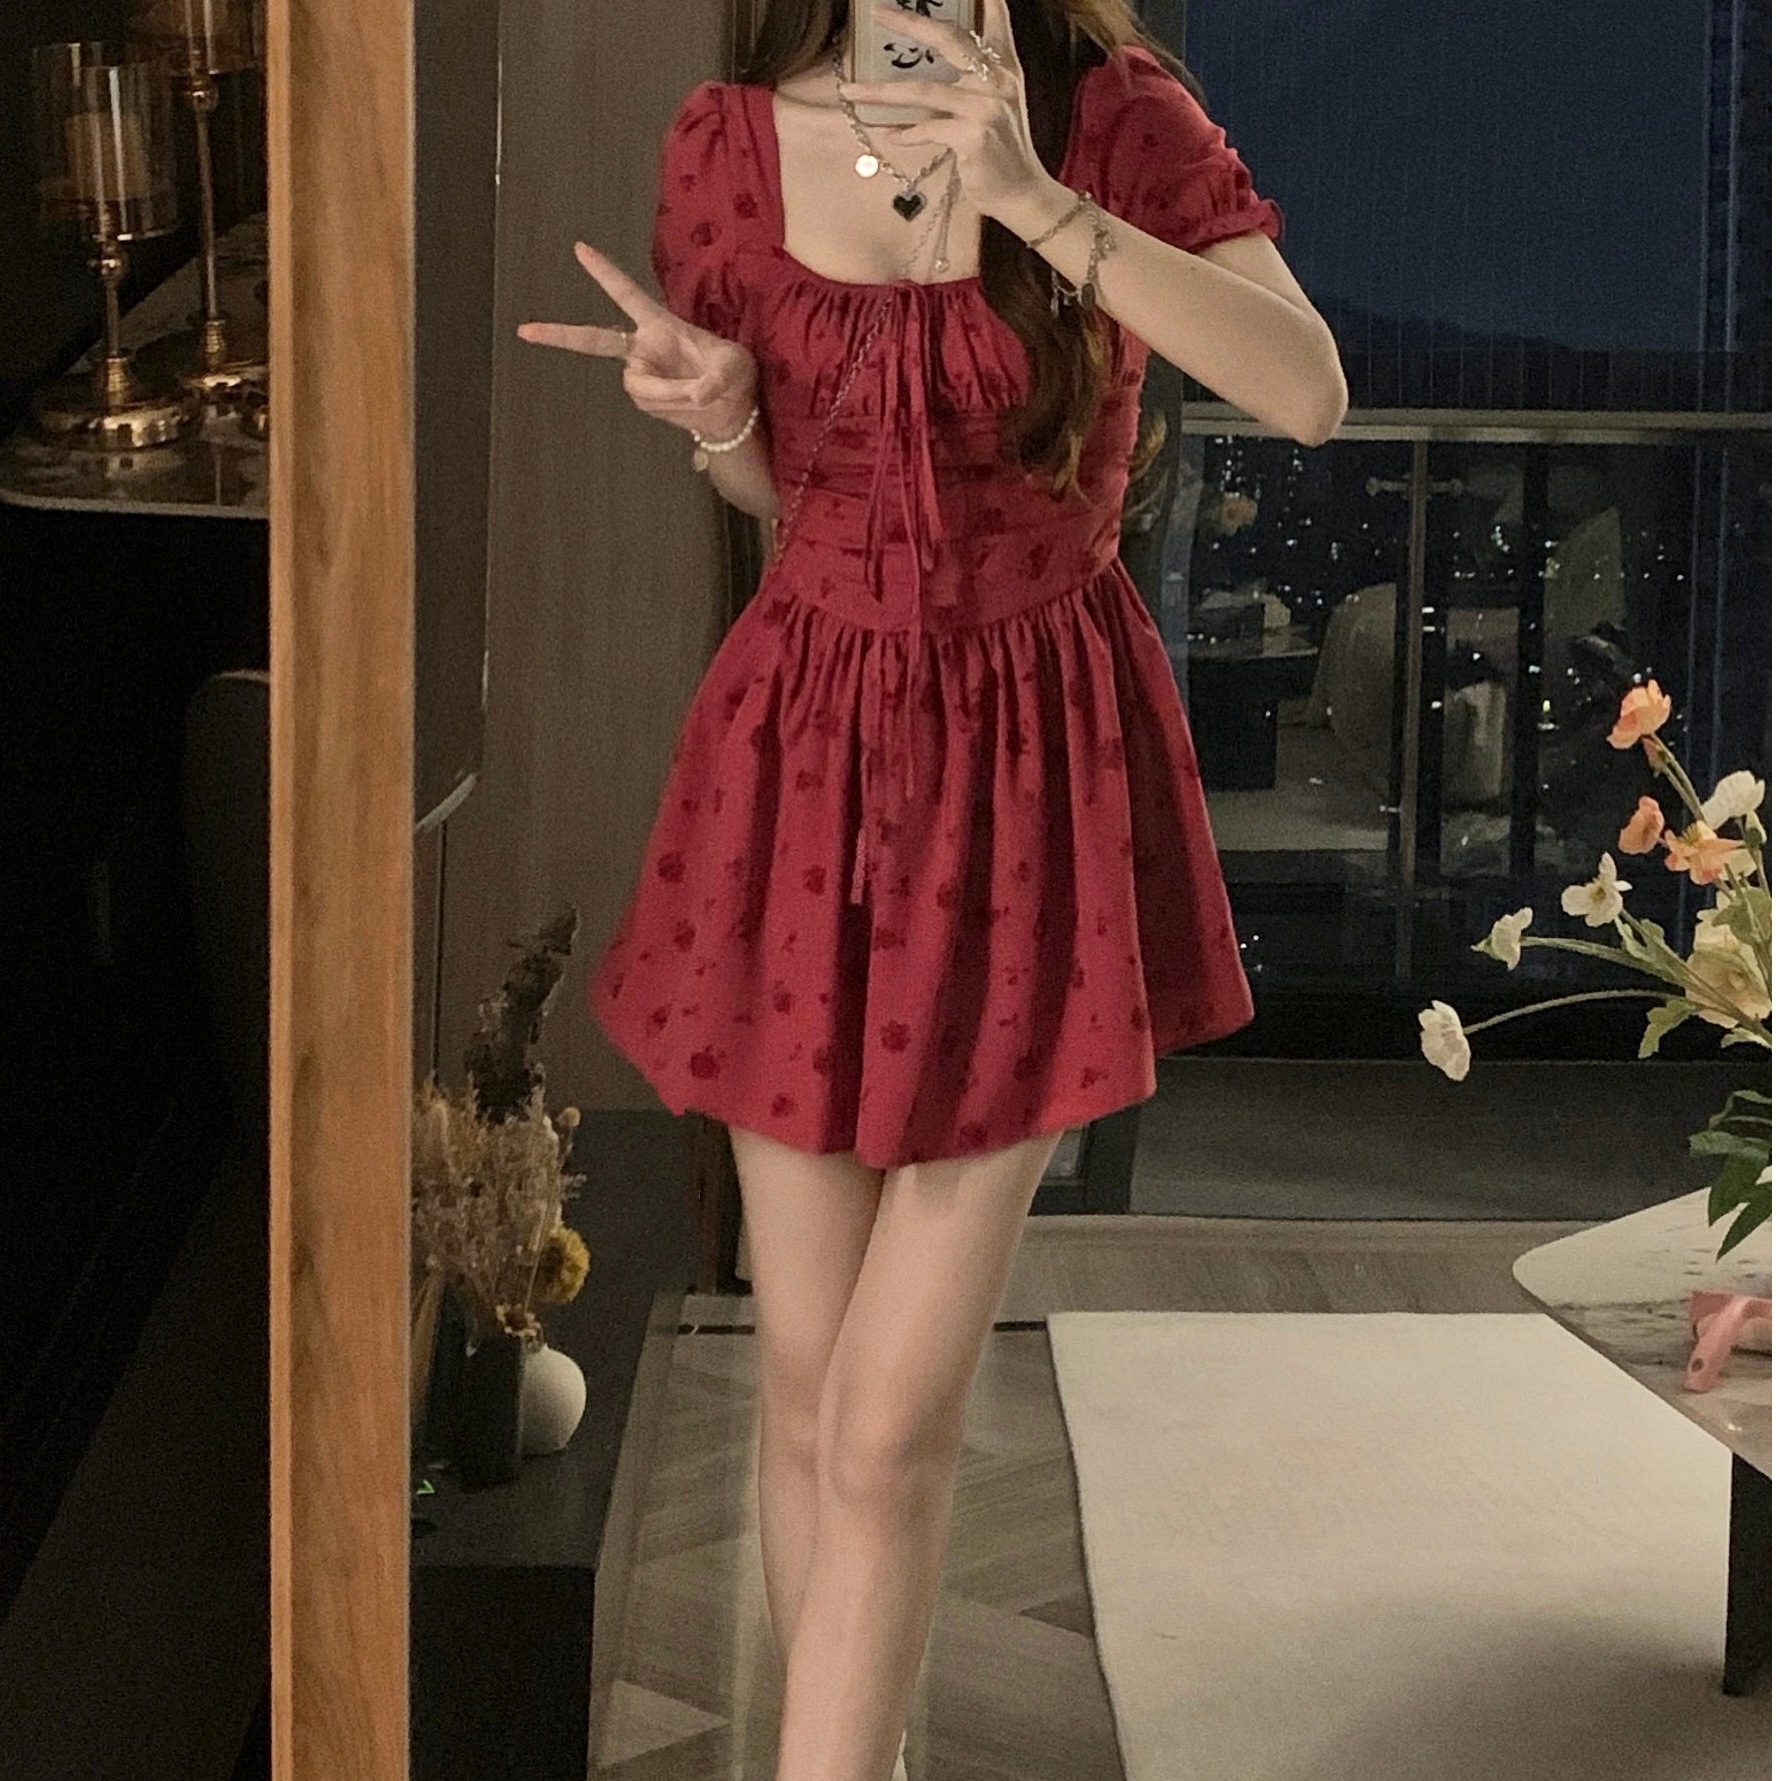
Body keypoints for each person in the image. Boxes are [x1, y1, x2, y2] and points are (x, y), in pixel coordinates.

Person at [519, 3, 1345, 1776]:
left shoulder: (1112, 116)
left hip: (1033, 772)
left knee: (888, 1427)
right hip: (799, 766)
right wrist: (718, 421)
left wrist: (1036, 201)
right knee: (807, 1392)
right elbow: (779, 498)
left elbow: (1306, 389)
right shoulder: (729, 141)